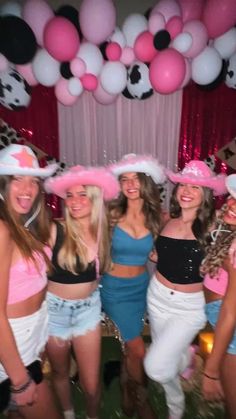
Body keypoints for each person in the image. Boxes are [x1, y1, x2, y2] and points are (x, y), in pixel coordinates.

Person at [144, 160, 227, 419]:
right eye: (183, 185)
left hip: (189, 307)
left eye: (196, 187)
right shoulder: (166, 219)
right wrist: (156, 254)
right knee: (166, 358)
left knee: (156, 368)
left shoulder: (214, 226)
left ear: (205, 195)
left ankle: (176, 401)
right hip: (157, 297)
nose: (187, 191)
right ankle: (183, 366)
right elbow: (160, 253)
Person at [44, 165, 120, 419]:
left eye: (82, 194)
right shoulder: (55, 230)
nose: (74, 202)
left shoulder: (103, 231)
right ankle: (68, 414)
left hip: (88, 311)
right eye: (69, 195)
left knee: (91, 383)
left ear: (96, 198)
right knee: (59, 373)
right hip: (54, 313)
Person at [100, 154, 166, 419]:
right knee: (138, 347)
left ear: (145, 182)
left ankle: (128, 388)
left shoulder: (156, 217)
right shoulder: (111, 213)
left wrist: (158, 254)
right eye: (124, 179)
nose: (130, 184)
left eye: (135, 178)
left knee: (131, 348)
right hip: (114, 289)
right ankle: (141, 399)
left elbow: (165, 248)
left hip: (141, 286)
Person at [0, 144, 62, 419]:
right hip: (12, 345)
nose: (27, 188)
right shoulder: (2, 230)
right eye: (17, 179)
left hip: (30, 336)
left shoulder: (23, 224)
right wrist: (20, 379)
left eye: (34, 181)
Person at [201, 173, 236, 418]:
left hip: (232, 335)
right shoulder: (229, 232)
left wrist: (210, 371)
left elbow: (231, 310)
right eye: (234, 198)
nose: (233, 205)